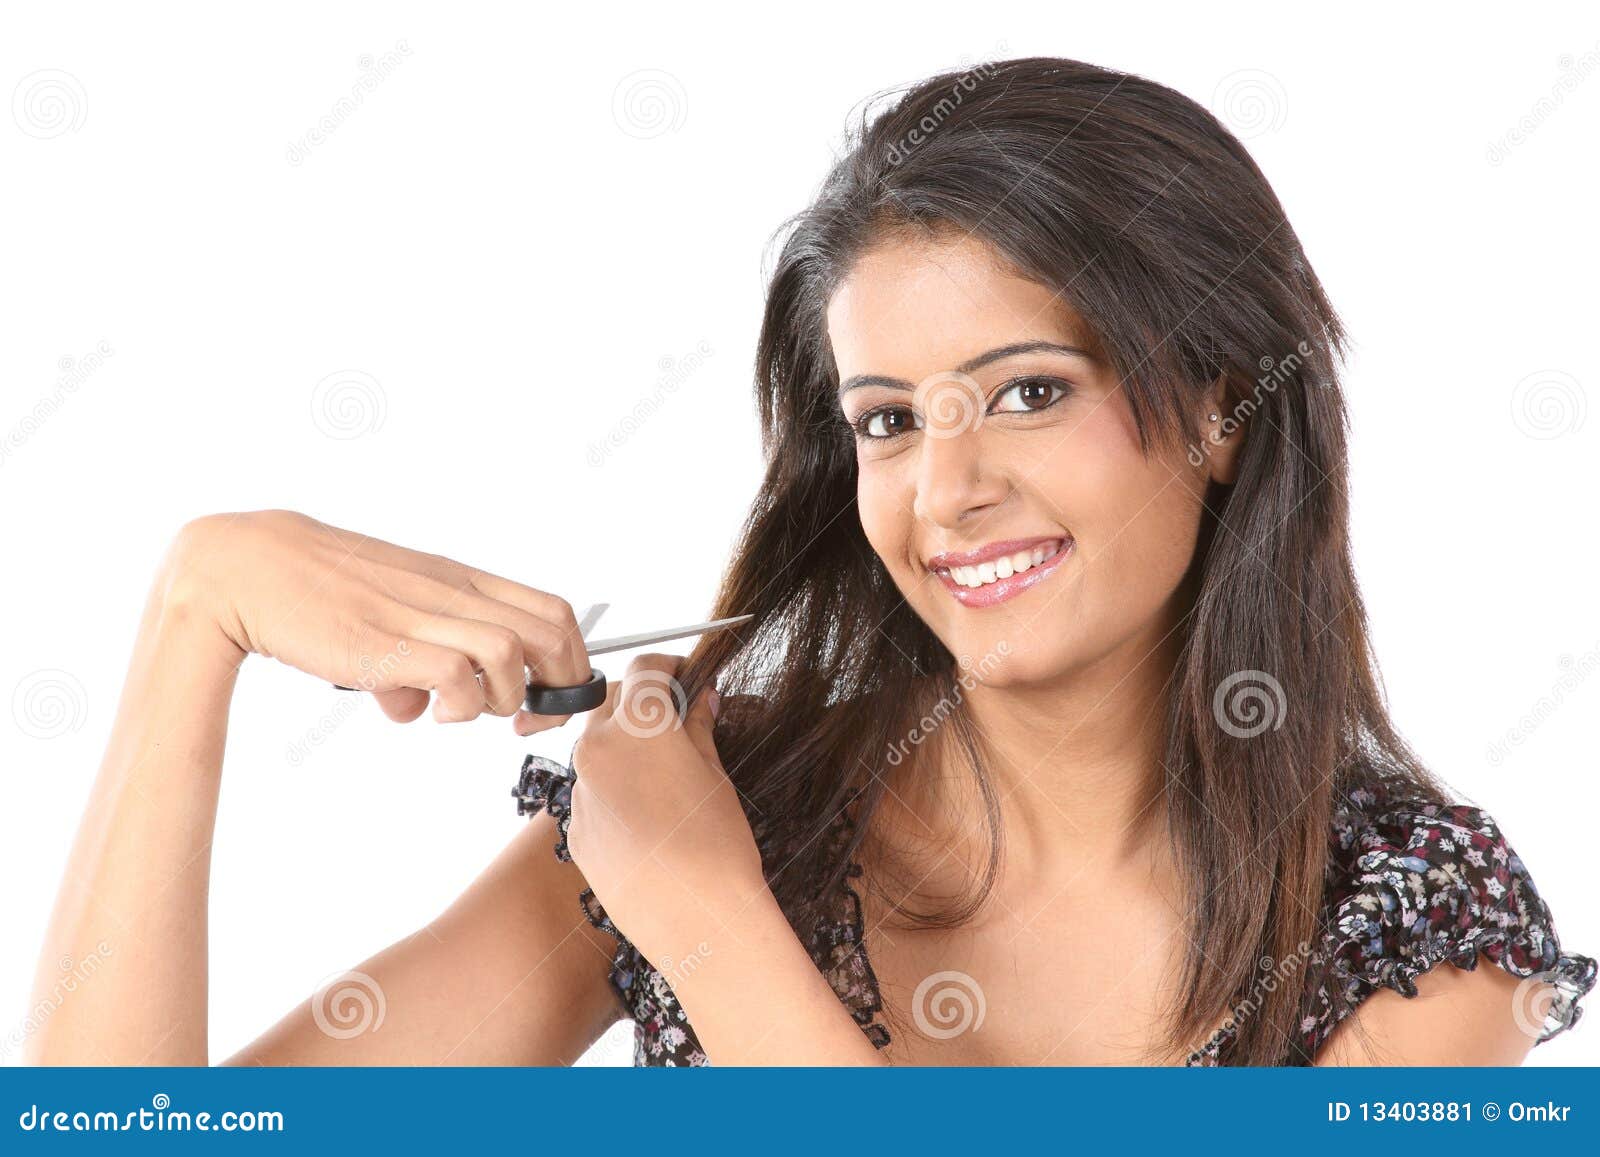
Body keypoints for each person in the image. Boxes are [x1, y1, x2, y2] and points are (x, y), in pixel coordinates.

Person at [29, 57, 1594, 1067]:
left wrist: (706, 921)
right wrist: (197, 613)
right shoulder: (724, 807)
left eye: (1031, 392)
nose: (949, 488)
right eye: (890, 420)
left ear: (1219, 412)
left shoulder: (1403, 918)